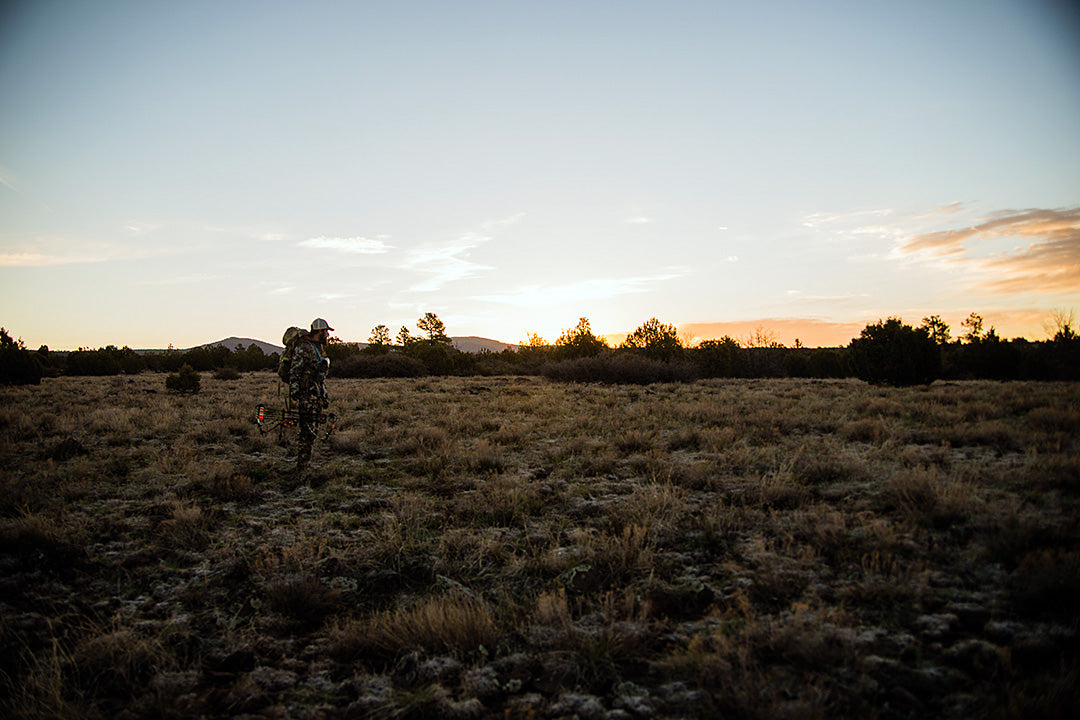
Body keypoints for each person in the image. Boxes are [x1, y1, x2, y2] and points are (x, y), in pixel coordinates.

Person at [289, 318, 332, 474]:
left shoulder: (318, 348)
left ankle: (305, 463)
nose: (327, 335)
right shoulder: (303, 347)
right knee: (307, 432)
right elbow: (295, 371)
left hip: (316, 395)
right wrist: (295, 395)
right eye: (326, 331)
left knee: (312, 431)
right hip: (306, 396)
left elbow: (319, 375)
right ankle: (302, 467)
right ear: (319, 331)